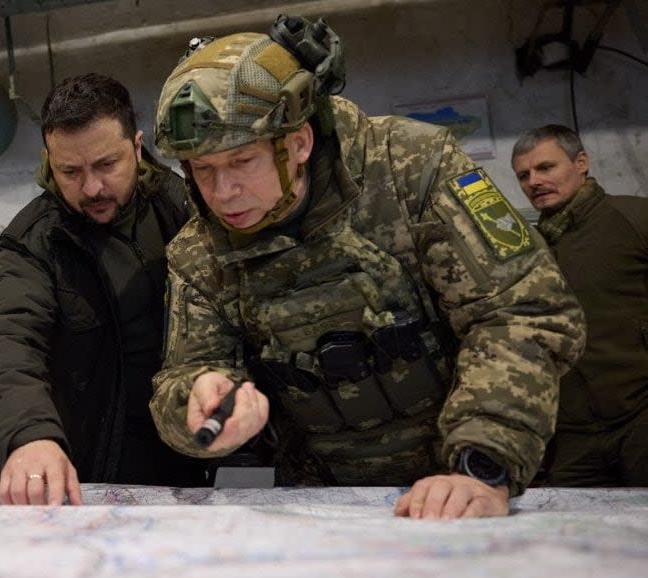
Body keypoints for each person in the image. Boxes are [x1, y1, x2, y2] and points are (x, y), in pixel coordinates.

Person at [149, 15, 585, 519]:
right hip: (325, 508)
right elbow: (181, 376)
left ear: (299, 143)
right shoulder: (197, 250)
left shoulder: (412, 168)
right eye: (202, 170)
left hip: (465, 480)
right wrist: (196, 401)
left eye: (242, 162)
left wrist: (483, 464)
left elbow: (522, 311)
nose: (222, 193)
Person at [0, 73, 207, 505]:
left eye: (106, 165)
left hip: (196, 459)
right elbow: (7, 341)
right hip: (90, 468)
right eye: (70, 171)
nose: (92, 188)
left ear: (137, 147)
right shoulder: (35, 240)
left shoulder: (188, 209)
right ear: (50, 162)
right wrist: (28, 435)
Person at [511, 125, 647, 486]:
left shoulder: (632, 218)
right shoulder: (529, 247)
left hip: (639, 418)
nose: (534, 181)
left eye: (546, 168)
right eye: (524, 175)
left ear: (581, 162)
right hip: (572, 435)